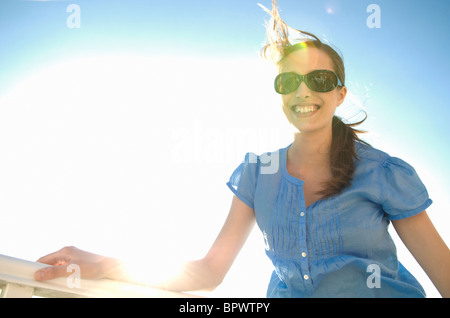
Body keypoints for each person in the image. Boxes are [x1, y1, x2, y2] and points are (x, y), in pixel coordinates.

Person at [34, 0, 450, 297]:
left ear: (340, 94)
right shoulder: (257, 174)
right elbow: (209, 272)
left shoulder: (383, 173)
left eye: (320, 81)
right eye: (289, 82)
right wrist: (101, 263)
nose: (304, 92)